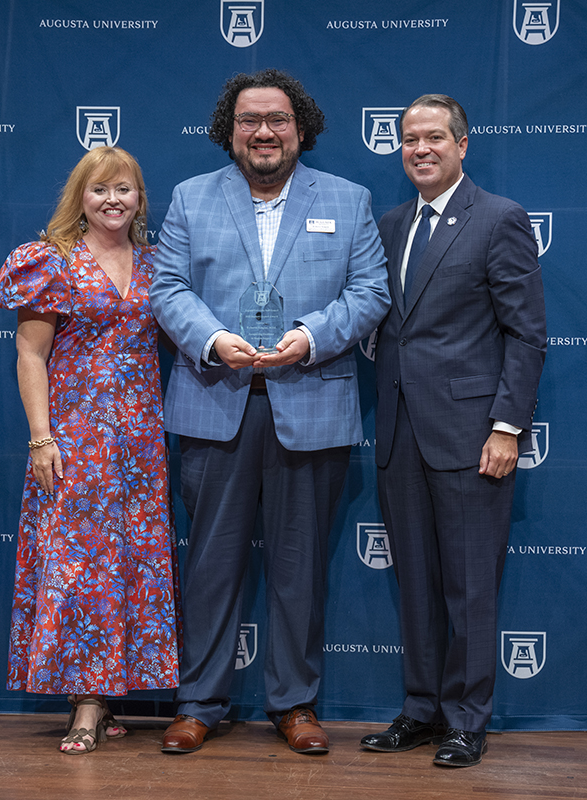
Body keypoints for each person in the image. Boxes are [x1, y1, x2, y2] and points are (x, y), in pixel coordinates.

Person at [149, 69, 389, 755]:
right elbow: (167, 286)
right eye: (250, 120)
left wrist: (310, 337)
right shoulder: (192, 199)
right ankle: (200, 702)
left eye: (278, 120)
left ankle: (294, 704)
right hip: (214, 400)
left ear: (301, 128)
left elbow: (370, 292)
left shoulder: (347, 200)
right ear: (230, 131)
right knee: (212, 566)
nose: (264, 131)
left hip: (310, 402)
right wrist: (210, 338)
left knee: (298, 567)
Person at [361, 94, 546, 768]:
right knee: (415, 580)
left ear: (462, 145)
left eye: (434, 137)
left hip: (472, 435)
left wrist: (506, 427)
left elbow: (527, 335)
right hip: (399, 431)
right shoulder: (389, 224)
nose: (420, 149)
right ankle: (421, 709)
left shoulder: (499, 219)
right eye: (409, 139)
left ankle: (467, 720)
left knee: (469, 583)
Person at [0, 146, 179, 754]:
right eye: (99, 190)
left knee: (134, 567)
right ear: (80, 196)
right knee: (84, 569)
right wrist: (42, 437)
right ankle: (86, 703)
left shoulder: (155, 264)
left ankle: (111, 694)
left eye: (123, 189)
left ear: (139, 199)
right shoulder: (50, 262)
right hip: (78, 441)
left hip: (142, 444)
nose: (112, 200)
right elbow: (30, 354)